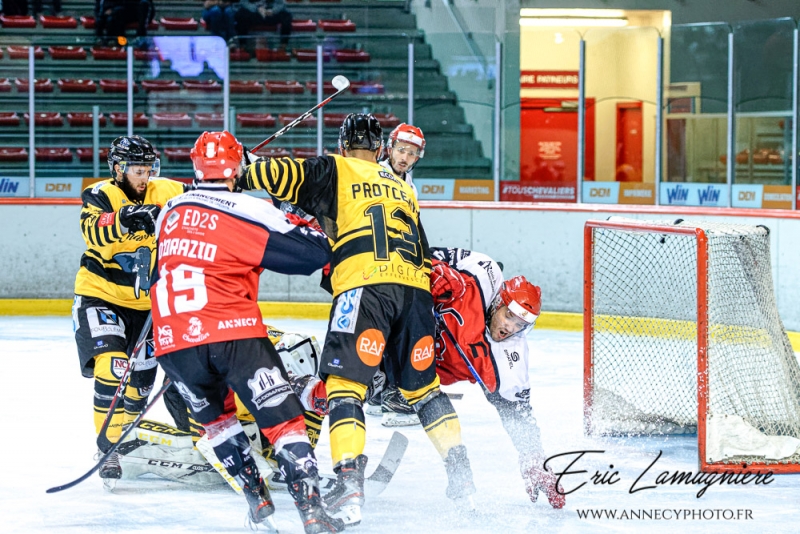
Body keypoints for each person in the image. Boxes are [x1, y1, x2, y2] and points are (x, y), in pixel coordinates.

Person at [240, 113, 476, 525]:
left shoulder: (336, 166)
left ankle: (349, 482)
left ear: (343, 144)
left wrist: (244, 167)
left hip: (365, 290)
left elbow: (279, 172)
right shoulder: (402, 190)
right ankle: (462, 477)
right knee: (425, 391)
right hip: (414, 294)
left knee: (345, 387)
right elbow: (421, 249)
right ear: (382, 149)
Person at [150, 130, 343, 533]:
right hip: (232, 334)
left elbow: (155, 273)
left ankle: (257, 500)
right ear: (238, 167)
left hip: (173, 341)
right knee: (284, 422)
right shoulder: (246, 207)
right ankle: (312, 513)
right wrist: (294, 213)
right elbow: (312, 253)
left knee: (217, 422)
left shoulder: (169, 211)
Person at [72, 135, 185, 485]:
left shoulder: (167, 189)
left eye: (149, 169)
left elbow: (208, 198)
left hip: (151, 308)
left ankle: (127, 432)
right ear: (118, 169)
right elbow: (92, 231)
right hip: (101, 296)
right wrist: (127, 217)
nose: (145, 177)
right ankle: (109, 445)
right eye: (138, 170)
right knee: (112, 366)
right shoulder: (100, 194)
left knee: (139, 387)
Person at [430, 247, 566, 508]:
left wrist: (533, 459)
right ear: (497, 303)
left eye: (520, 325)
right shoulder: (483, 273)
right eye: (509, 317)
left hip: (428, 373)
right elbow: (425, 252)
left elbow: (517, 412)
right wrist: (434, 269)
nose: (509, 328)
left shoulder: (509, 358)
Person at [379, 122, 426, 196]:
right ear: (390, 150)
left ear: (416, 159)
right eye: (401, 150)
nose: (405, 158)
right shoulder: (374, 175)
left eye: (411, 154)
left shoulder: (412, 190)